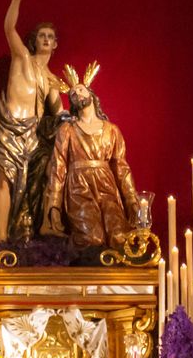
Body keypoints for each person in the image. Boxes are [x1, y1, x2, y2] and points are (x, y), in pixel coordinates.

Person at [0, 0, 66, 242]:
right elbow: (9, 28)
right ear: (35, 40)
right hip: (8, 127)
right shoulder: (22, 58)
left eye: (50, 37)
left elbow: (58, 113)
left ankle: (34, 228)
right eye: (41, 35)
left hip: (33, 135)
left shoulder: (52, 80)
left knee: (36, 182)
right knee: (4, 181)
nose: (45, 39)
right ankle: (0, 237)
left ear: (55, 45)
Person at [40, 69, 138, 251]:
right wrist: (54, 204)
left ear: (91, 95)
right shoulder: (67, 130)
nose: (77, 93)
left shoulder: (111, 130)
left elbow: (121, 167)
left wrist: (132, 199)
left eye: (81, 90)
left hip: (107, 186)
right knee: (91, 238)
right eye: (73, 93)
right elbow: (58, 167)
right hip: (79, 187)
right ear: (72, 102)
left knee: (119, 236)